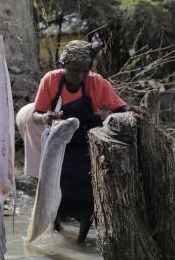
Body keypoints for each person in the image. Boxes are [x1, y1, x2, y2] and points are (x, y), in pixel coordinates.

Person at [26, 40, 141, 243]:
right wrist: (46, 118)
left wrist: (131, 110)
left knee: (89, 195)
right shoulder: (51, 81)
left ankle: (80, 241)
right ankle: (55, 232)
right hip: (58, 146)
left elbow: (119, 108)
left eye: (84, 72)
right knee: (55, 193)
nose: (79, 76)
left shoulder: (97, 83)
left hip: (87, 146)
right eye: (74, 70)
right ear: (63, 66)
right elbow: (35, 113)